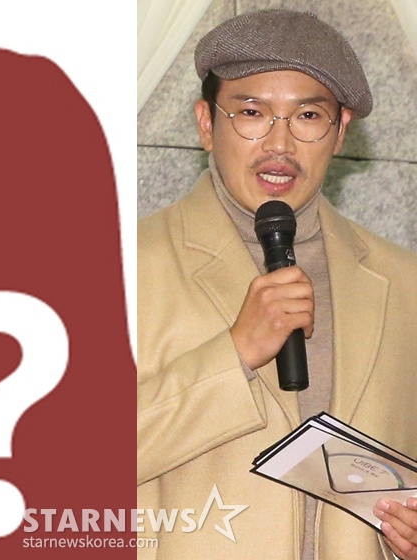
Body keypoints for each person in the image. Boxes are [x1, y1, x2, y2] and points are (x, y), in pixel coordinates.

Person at [138, 8, 417, 560]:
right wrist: (235, 352)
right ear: (205, 123)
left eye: (308, 116)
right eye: (251, 112)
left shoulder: (403, 282)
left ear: (339, 132)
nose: (280, 144)